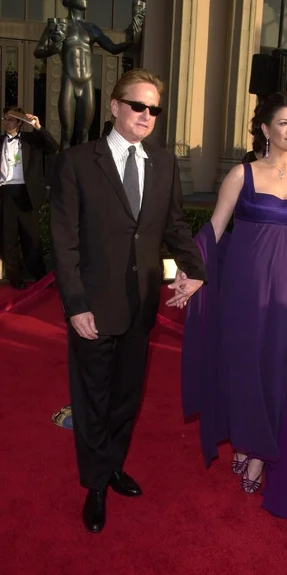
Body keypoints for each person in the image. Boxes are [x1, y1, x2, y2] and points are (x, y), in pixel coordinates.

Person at [50, 68, 206, 533]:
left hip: (140, 304)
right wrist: (75, 305)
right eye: (137, 105)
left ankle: (113, 464)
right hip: (93, 308)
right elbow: (64, 241)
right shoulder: (78, 161)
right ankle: (95, 484)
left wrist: (194, 269)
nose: (146, 115)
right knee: (93, 398)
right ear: (115, 106)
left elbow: (173, 225)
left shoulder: (163, 163)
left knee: (125, 399)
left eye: (153, 109)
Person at [180, 92, 287, 524]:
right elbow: (212, 230)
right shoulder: (241, 175)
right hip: (242, 291)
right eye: (284, 123)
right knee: (243, 365)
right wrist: (192, 273)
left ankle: (261, 453)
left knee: (276, 371)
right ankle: (245, 442)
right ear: (265, 129)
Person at [34, 0, 144, 150]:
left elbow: (113, 48)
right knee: (67, 133)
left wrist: (131, 41)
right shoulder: (58, 26)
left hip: (87, 83)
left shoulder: (91, 28)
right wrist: (54, 47)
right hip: (69, 81)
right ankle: (64, 173)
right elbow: (38, 51)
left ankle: (82, 173)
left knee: (84, 133)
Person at [0, 107, 59, 289]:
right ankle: (15, 279)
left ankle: (39, 276)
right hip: (4, 194)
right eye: (5, 119)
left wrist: (38, 127)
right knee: (7, 240)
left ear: (19, 123)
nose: (6, 122)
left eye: (11, 119)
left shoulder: (32, 140)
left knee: (31, 239)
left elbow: (53, 147)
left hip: (27, 194)